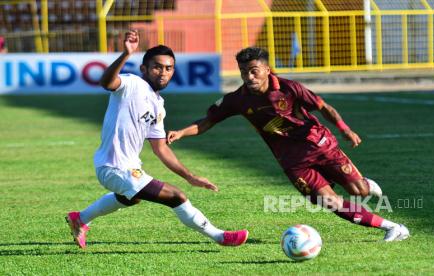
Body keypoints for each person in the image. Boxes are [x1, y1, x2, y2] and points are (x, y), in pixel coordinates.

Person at [167, 47, 410, 242]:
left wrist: (345, 129)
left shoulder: (289, 88)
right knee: (331, 203)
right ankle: (394, 228)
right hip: (293, 162)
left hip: (321, 146)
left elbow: (323, 107)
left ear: (267, 69)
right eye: (243, 72)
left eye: (254, 71)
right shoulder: (237, 100)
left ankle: (366, 184)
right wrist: (181, 133)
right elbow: (208, 121)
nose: (248, 77)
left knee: (360, 193)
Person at [65, 30, 248, 249]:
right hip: (114, 166)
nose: (163, 72)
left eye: (168, 68)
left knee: (131, 198)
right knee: (176, 196)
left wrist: (190, 176)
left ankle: (80, 218)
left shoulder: (158, 105)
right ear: (144, 69)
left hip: (127, 165)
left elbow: (161, 148)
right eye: (157, 67)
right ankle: (220, 236)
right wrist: (125, 53)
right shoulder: (131, 84)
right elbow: (107, 82)